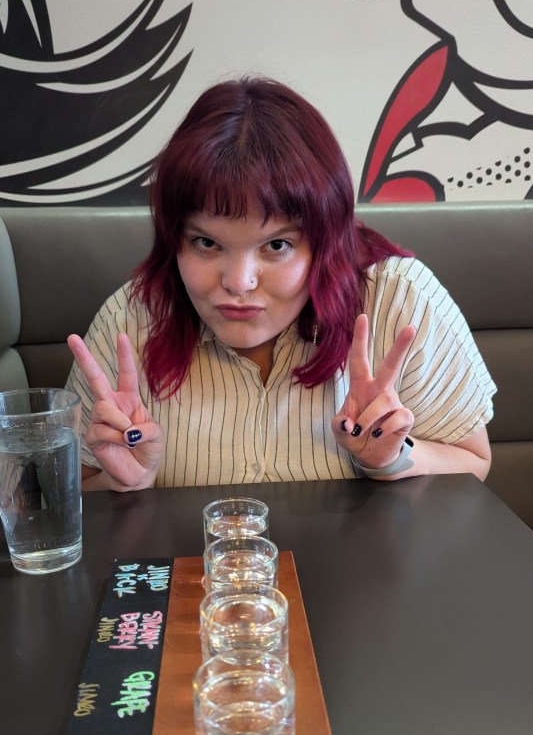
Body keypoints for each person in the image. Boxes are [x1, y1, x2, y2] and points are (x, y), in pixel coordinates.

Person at [65, 77, 496, 492]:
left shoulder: (399, 300)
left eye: (276, 245)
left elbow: (473, 460)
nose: (238, 283)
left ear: (325, 241)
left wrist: (393, 459)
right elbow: (77, 488)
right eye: (206, 243)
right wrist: (125, 482)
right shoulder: (130, 321)